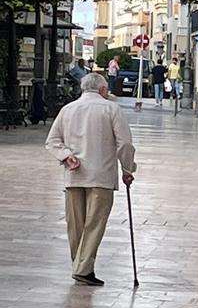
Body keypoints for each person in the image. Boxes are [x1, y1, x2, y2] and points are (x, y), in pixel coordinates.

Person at [44, 73, 137, 287]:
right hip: (101, 176)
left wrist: (66, 155)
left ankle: (80, 266)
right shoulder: (111, 109)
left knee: (75, 224)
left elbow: (52, 141)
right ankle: (83, 269)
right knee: (94, 224)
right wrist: (127, 168)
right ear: (103, 90)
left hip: (74, 174)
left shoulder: (67, 109)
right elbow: (124, 144)